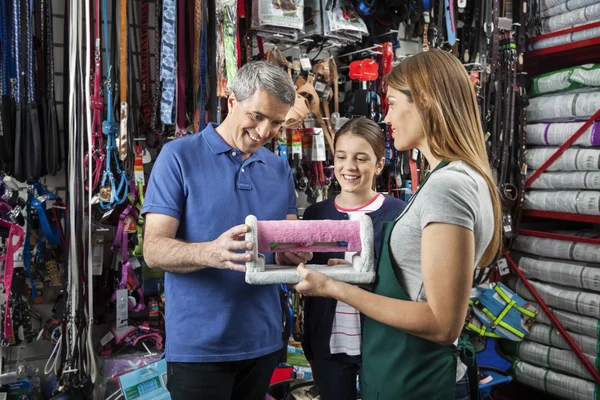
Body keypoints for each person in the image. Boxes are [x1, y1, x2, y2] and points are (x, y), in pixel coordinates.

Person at [294, 49, 501, 400]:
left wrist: (336, 289)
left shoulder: (447, 186)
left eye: (392, 103)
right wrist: (353, 272)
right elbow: (414, 281)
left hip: (418, 381)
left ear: (425, 102)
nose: (387, 117)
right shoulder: (455, 177)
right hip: (401, 375)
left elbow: (441, 323)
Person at [142, 61, 312, 400]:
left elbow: (284, 246)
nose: (265, 131)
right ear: (232, 100)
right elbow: (153, 250)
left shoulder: (279, 169)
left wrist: (291, 254)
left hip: (263, 342)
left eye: (277, 122)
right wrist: (210, 252)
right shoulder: (177, 157)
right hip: (199, 349)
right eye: (257, 116)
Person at [300, 118, 405, 400]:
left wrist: (357, 277)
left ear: (379, 165)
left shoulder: (400, 214)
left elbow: (406, 283)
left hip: (382, 343)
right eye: (342, 157)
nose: (350, 167)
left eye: (361, 158)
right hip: (328, 344)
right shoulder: (315, 215)